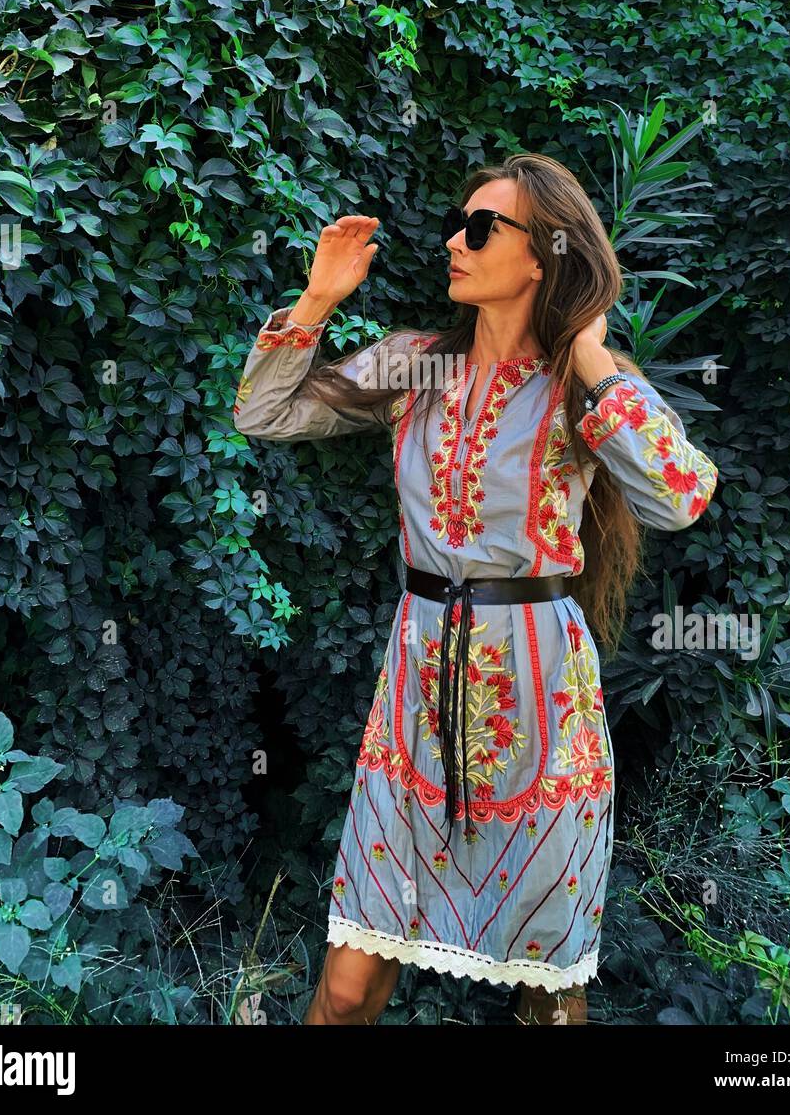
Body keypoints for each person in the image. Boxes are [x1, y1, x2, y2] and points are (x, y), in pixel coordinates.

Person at [232, 152, 719, 1025]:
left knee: (546, 998)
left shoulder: (585, 385)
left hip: (539, 704)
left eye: (481, 228)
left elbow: (680, 496)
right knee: (345, 988)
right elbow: (263, 414)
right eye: (458, 224)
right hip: (415, 691)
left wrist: (589, 351)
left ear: (545, 254)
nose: (455, 241)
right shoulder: (415, 366)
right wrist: (316, 303)